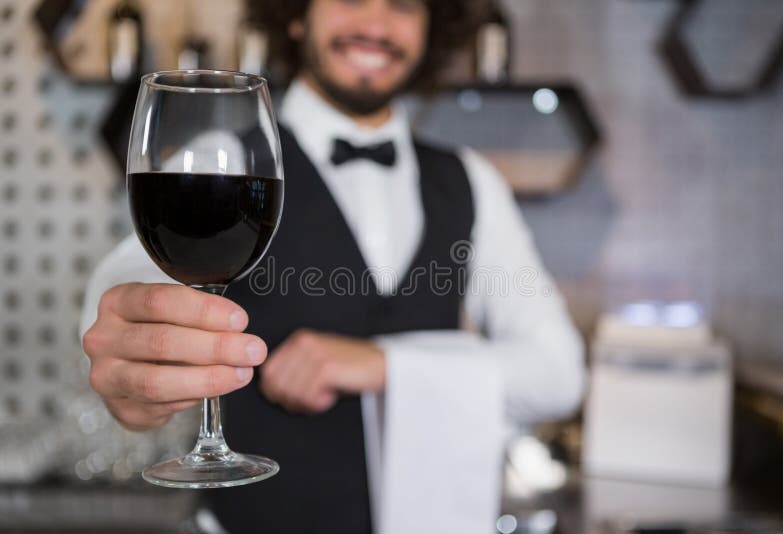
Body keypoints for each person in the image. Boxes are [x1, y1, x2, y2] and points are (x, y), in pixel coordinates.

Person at [80, 1, 585, 533]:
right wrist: (133, 370)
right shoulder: (219, 162)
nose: (375, 23)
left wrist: (380, 363)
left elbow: (559, 374)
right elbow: (116, 299)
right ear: (296, 15)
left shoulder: (473, 182)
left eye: (403, 5)